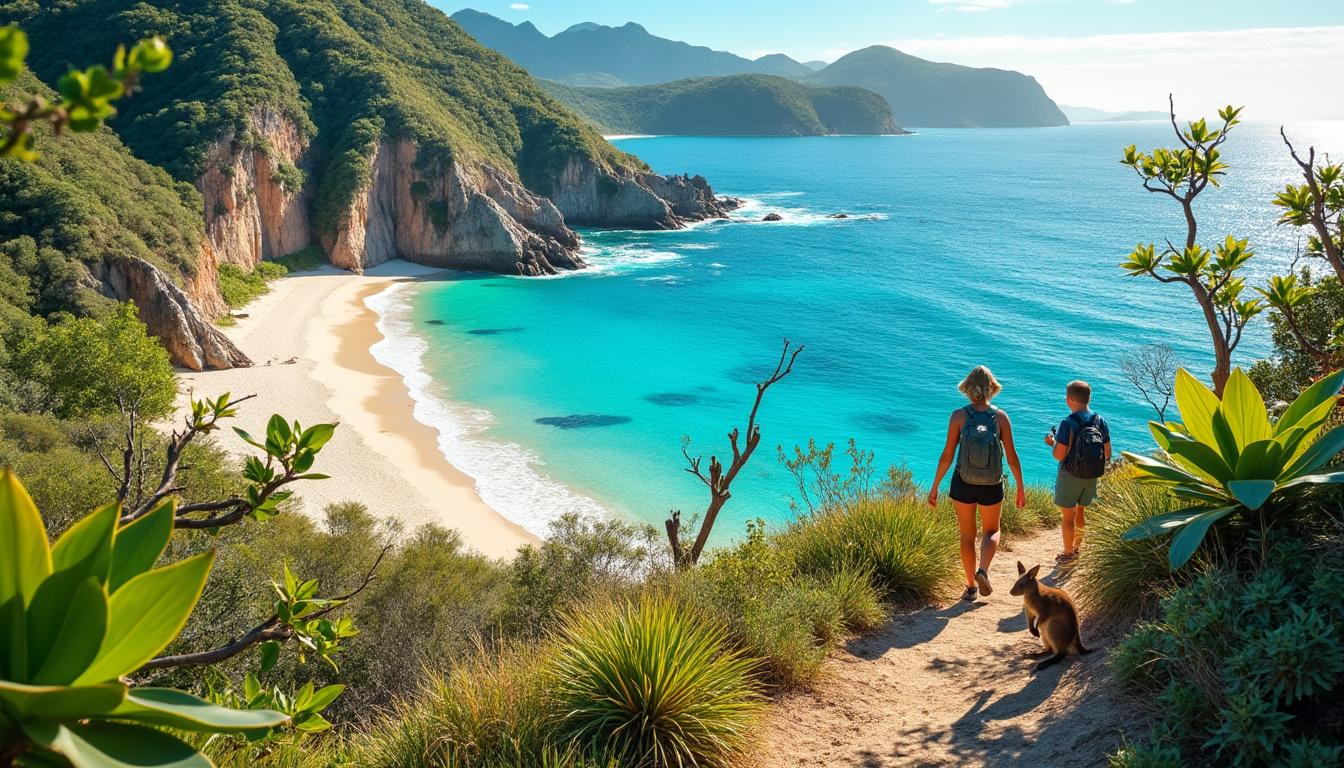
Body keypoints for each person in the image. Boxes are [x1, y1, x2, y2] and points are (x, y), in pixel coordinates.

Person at [928, 366, 1027, 601]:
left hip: (963, 482)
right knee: (992, 530)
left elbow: (947, 455)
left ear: (967, 388)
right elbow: (1012, 457)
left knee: (966, 535)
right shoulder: (1001, 417)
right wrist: (1020, 487)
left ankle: (971, 586)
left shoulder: (958, 416)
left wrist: (934, 486)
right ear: (992, 388)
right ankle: (983, 570)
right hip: (991, 484)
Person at [1044, 380, 1112, 565]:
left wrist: (1052, 444)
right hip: (1091, 475)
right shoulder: (1100, 420)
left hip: (1070, 475)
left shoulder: (1068, 422)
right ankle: (1076, 549)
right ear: (1089, 398)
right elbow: (1108, 452)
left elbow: (1059, 455)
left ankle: (1067, 555)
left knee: (1068, 517)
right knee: (1081, 512)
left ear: (1070, 399)